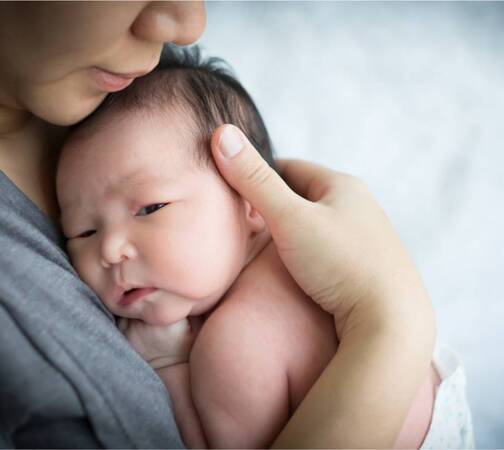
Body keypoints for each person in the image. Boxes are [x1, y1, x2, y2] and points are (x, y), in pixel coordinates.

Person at [0, 2, 440, 448]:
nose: (110, 249)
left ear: (252, 197)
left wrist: (168, 364)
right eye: (84, 234)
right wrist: (393, 319)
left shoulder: (234, 346)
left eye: (151, 208)